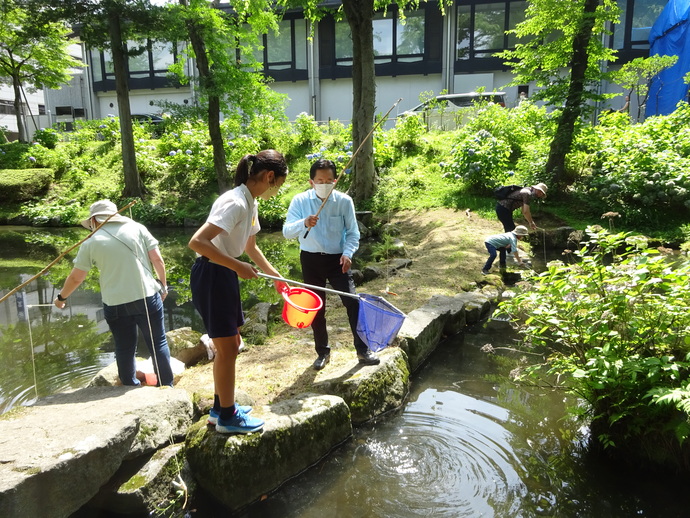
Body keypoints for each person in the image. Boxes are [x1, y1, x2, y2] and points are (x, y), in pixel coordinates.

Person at [188, 150, 288, 434]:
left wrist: (276, 277)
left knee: (229, 344)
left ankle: (220, 409)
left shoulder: (250, 202)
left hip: (223, 273)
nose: (277, 190)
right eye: (278, 183)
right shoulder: (235, 203)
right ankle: (228, 419)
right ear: (269, 177)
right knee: (228, 347)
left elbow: (250, 248)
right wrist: (236, 266)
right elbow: (197, 242)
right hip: (212, 274)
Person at [54, 199, 174, 387]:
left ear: (93, 220)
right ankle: (167, 385)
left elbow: (77, 278)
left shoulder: (91, 242)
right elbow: (158, 260)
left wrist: (62, 298)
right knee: (157, 343)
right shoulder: (137, 228)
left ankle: (129, 384)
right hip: (147, 297)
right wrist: (164, 286)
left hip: (115, 303)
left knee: (124, 347)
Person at [283, 158, 380, 371]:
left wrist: (347, 253)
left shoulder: (344, 201)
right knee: (317, 308)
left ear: (335, 181)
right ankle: (323, 352)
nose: (324, 184)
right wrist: (304, 223)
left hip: (338, 259)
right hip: (310, 259)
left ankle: (363, 350)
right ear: (311, 182)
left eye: (329, 180)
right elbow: (287, 231)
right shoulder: (300, 201)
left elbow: (353, 233)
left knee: (353, 302)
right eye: (320, 180)